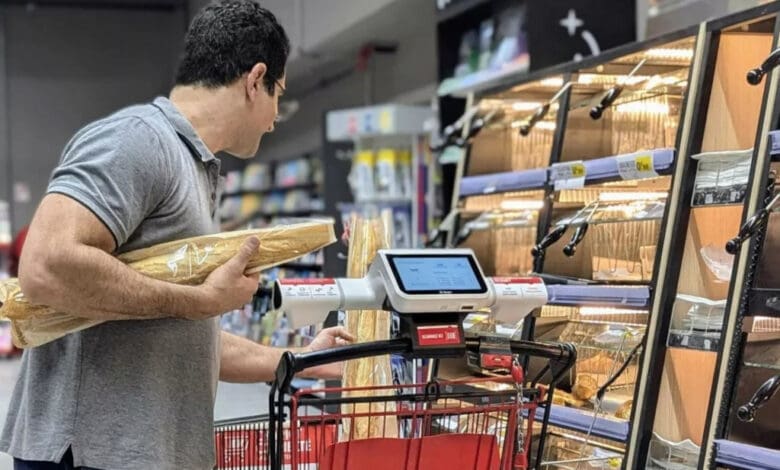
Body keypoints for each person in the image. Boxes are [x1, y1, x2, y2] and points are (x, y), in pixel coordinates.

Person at [0, 2, 354, 469]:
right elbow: (46, 265)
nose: (274, 118)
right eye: (278, 96)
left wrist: (297, 357)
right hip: (90, 456)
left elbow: (179, 335)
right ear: (254, 80)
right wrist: (199, 301)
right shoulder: (138, 140)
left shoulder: (195, 168)